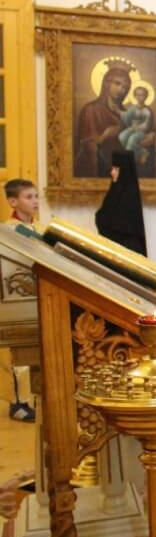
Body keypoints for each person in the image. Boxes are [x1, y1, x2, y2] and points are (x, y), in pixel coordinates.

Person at [3, 179, 40, 422]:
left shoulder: (38, 227)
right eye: (29, 197)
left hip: (35, 296)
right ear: (13, 201)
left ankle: (30, 397)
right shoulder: (8, 231)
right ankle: (18, 402)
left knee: (33, 350)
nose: (35, 201)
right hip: (15, 297)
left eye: (36, 196)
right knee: (17, 353)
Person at [74, 58, 133, 178]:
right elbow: (89, 145)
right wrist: (108, 134)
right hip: (100, 167)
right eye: (117, 83)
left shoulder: (126, 113)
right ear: (107, 83)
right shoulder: (91, 109)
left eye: (125, 87)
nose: (121, 90)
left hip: (122, 168)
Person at [95, 150, 148, 256]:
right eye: (112, 168)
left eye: (116, 169)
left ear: (124, 171)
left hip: (125, 253)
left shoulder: (129, 196)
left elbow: (116, 226)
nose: (112, 173)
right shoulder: (115, 191)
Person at [119, 86, 153, 156]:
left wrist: (137, 127)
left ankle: (128, 158)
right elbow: (126, 117)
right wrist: (118, 111)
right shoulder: (132, 108)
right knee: (121, 136)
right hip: (132, 128)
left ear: (146, 96)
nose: (139, 97)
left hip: (142, 131)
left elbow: (147, 124)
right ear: (135, 96)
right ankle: (141, 151)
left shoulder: (147, 110)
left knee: (132, 139)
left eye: (141, 95)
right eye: (137, 95)